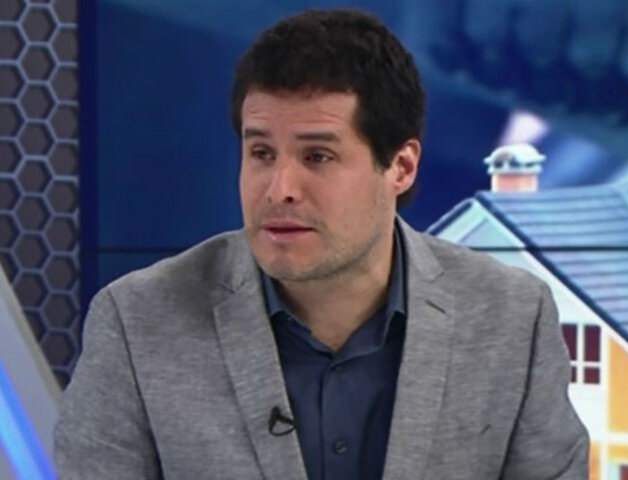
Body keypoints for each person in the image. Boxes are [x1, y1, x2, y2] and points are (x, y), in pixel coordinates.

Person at [54, 8, 589, 480]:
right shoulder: (138, 322)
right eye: (261, 153)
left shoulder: (512, 318)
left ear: (401, 167)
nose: (279, 189)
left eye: (317, 156)